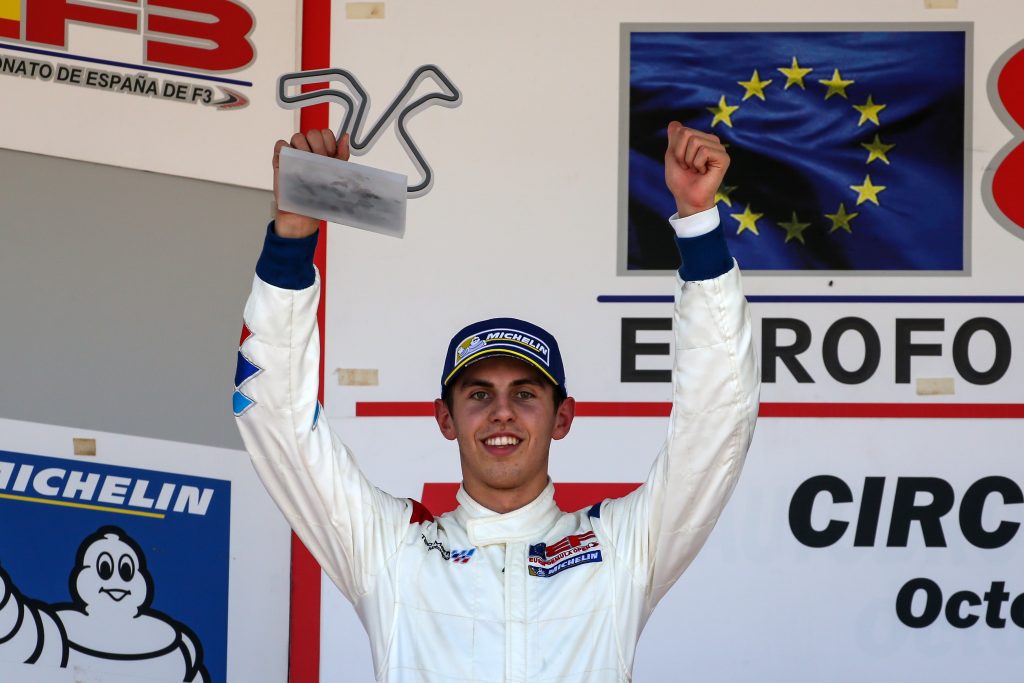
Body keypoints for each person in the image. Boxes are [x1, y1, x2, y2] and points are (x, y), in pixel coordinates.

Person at [234, 122, 759, 682]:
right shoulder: (393, 551)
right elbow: (279, 421)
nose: (502, 412)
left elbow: (718, 420)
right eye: (479, 394)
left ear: (563, 418)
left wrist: (700, 224)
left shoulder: (619, 549)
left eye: (525, 394)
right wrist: (291, 239)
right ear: (446, 419)